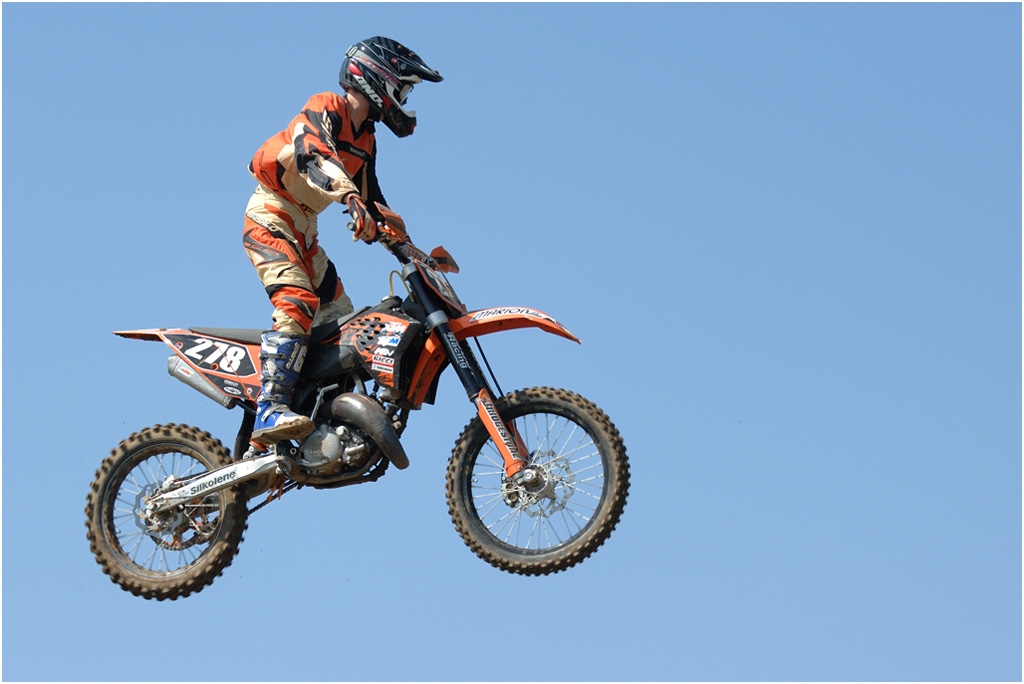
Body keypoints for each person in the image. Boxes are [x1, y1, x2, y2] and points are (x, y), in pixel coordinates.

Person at [242, 36, 442, 444]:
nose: (404, 100)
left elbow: (374, 203)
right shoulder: (326, 106)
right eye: (403, 89)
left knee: (341, 323)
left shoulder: (366, 139)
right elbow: (312, 155)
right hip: (270, 217)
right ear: (378, 79)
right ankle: (270, 408)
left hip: (305, 232)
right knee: (297, 303)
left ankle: (323, 417)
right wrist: (349, 198)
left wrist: (414, 252)